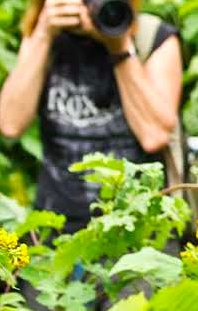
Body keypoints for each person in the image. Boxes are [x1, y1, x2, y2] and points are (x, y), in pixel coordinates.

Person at [0, 0, 182, 234]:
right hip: (56, 228)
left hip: (140, 231)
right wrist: (42, 34)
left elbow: (154, 135)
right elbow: (10, 124)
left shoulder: (152, 36)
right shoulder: (46, 36)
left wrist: (119, 46)